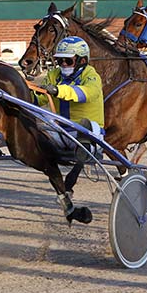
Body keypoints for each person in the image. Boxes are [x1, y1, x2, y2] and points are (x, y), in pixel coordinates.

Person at [35, 36, 105, 194]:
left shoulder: (91, 75)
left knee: (88, 127)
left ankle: (83, 152)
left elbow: (88, 93)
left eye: (68, 60)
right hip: (62, 131)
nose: (63, 65)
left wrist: (59, 90)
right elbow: (40, 97)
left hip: (88, 131)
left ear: (82, 60)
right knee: (38, 116)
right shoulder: (54, 75)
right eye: (60, 61)